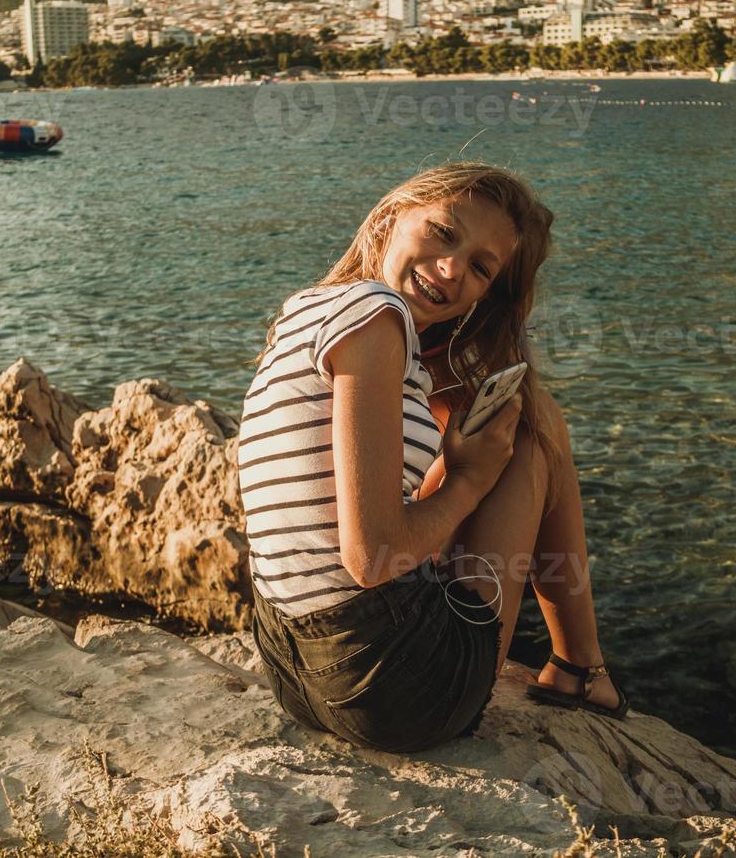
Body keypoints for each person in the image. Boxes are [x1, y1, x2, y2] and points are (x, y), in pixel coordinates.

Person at [241, 161, 627, 755]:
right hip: (394, 690)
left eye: (479, 267)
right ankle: (579, 666)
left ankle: (576, 664)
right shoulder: (376, 312)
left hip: (293, 671)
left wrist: (459, 459)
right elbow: (372, 558)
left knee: (497, 420)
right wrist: (470, 480)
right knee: (532, 427)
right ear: (392, 215)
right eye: (444, 233)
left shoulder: (311, 307)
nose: (450, 270)